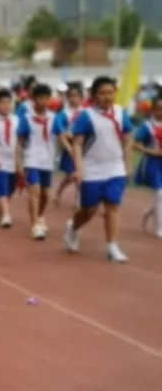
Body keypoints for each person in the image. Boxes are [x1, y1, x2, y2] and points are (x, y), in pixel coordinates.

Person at [65, 76, 134, 262]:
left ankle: (112, 246)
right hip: (92, 169)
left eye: (110, 93)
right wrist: (79, 168)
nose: (107, 97)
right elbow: (77, 144)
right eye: (102, 93)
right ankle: (73, 227)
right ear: (94, 95)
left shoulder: (121, 113)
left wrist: (127, 165)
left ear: (115, 93)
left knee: (113, 207)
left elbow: (128, 139)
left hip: (115, 169)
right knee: (89, 210)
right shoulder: (86, 116)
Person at [17, 83, 57, 240]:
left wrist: (71, 149)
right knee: (35, 192)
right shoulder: (26, 118)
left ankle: (40, 216)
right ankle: (34, 225)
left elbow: (61, 135)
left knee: (46, 195)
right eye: (40, 98)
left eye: (46, 98)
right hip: (31, 158)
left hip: (47, 160)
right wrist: (18, 162)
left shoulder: (54, 117)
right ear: (34, 100)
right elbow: (19, 142)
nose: (44, 102)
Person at [0, 89, 20, 229]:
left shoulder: (17, 120)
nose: (6, 105)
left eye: (9, 102)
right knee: (1, 186)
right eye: (2, 103)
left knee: (10, 189)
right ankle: (6, 215)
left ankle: (0, 206)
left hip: (14, 159)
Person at [133, 95, 162, 238]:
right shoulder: (147, 126)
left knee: (160, 197)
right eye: (158, 109)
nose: (160, 112)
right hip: (152, 164)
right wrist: (152, 151)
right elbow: (135, 144)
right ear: (153, 110)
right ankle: (159, 228)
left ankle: (148, 213)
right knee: (160, 194)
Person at [53, 83, 85, 206]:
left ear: (81, 97)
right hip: (69, 149)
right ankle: (60, 192)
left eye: (76, 96)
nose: (74, 98)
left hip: (84, 148)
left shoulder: (86, 113)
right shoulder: (63, 114)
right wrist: (70, 148)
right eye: (71, 96)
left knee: (80, 174)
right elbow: (61, 133)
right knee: (71, 175)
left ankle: (79, 198)